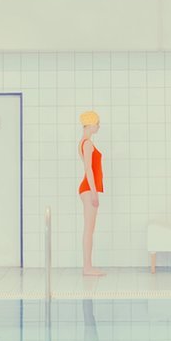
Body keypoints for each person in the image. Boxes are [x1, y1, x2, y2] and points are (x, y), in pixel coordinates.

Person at [78, 111, 105, 276]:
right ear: (90, 124)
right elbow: (88, 169)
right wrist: (94, 193)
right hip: (88, 188)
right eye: (97, 123)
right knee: (89, 229)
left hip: (88, 188)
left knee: (89, 229)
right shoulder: (87, 143)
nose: (99, 126)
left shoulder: (84, 142)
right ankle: (87, 267)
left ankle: (88, 266)